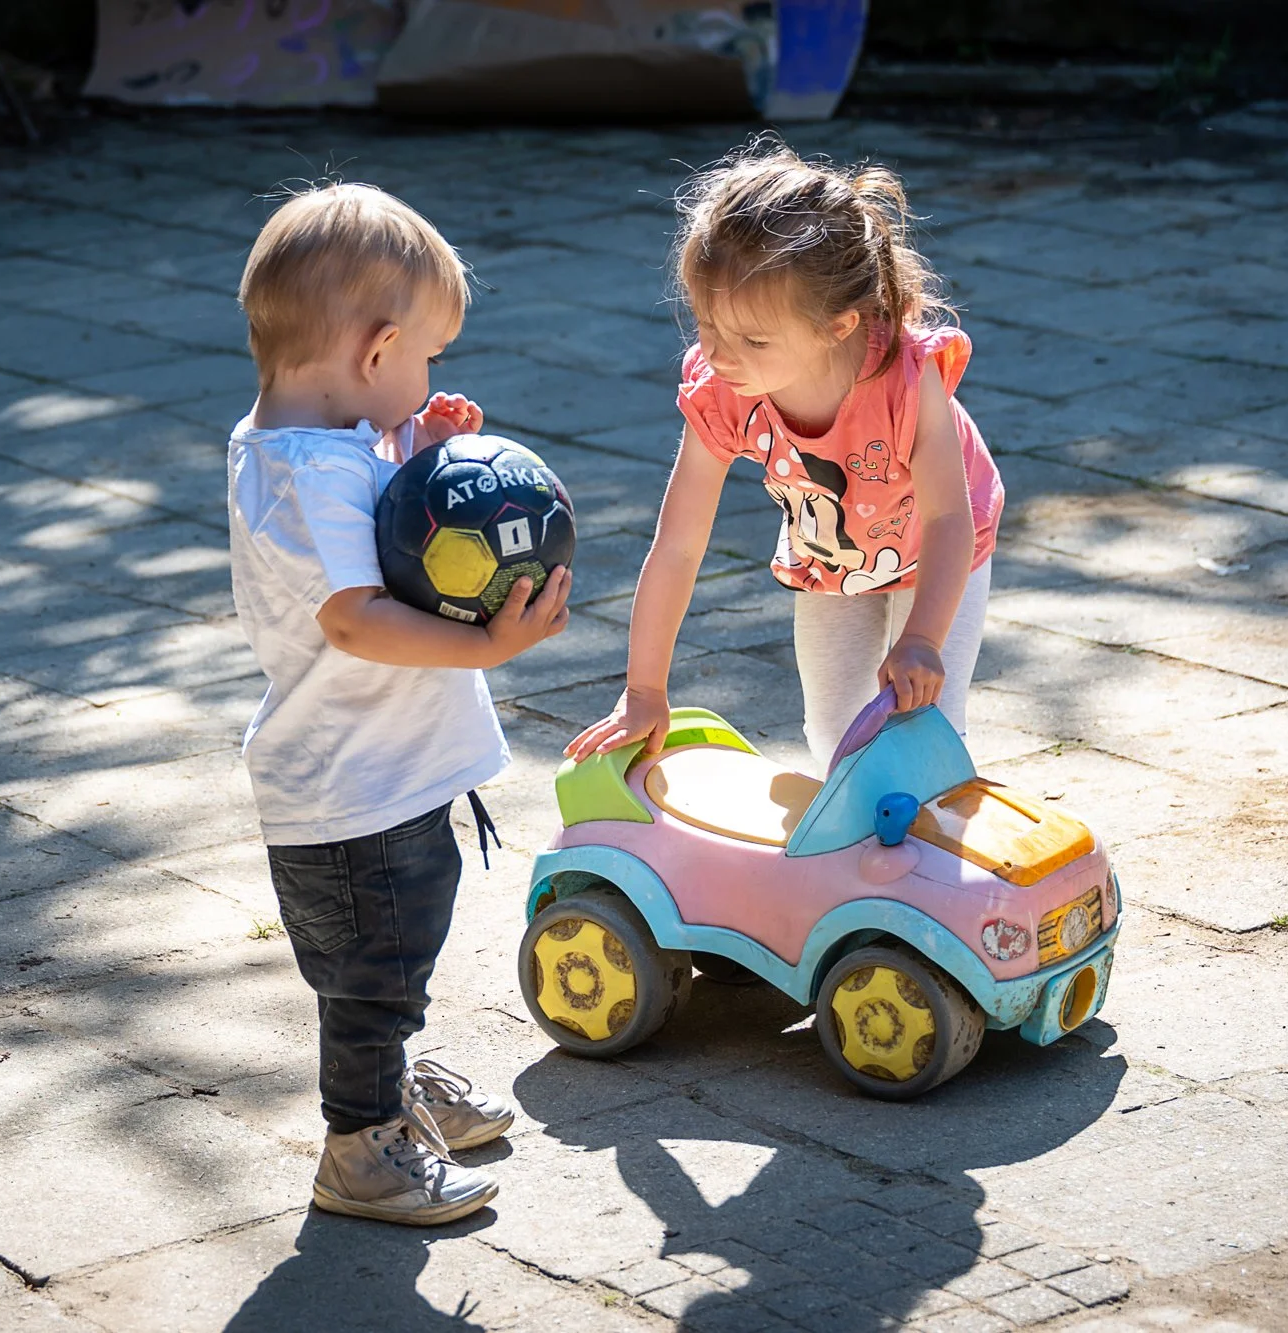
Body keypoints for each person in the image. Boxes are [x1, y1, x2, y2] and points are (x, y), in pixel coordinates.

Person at [228, 183, 571, 1225]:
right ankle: (362, 1147)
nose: (429, 377)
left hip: (373, 774)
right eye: (425, 356)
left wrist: (417, 458)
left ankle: (393, 1084)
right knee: (373, 974)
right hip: (354, 790)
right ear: (375, 352)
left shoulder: (298, 447)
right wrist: (488, 642)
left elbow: (374, 537)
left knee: (390, 962)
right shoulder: (316, 474)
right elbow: (354, 616)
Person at [567, 137, 1003, 771]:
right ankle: (854, 825)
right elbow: (679, 545)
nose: (719, 354)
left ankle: (930, 823)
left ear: (838, 326)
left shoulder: (906, 378)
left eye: (753, 339)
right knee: (833, 729)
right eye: (706, 325)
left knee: (926, 720)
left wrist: (922, 639)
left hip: (943, 548)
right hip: (834, 555)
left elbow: (948, 518)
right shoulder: (723, 390)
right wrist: (644, 692)